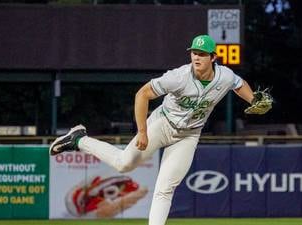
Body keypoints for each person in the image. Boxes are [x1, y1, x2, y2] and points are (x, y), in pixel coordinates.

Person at [50, 34, 270, 225]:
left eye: (202, 53)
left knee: (165, 188)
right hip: (162, 124)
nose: (196, 57)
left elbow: (238, 84)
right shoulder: (179, 77)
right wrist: (143, 131)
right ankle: (80, 139)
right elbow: (142, 94)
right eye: (194, 52)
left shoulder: (224, 76)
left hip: (188, 135)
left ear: (213, 57)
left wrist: (252, 99)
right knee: (124, 164)